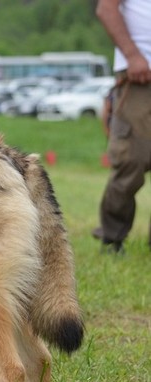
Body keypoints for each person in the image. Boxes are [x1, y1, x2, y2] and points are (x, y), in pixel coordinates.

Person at [93, 0, 151, 253]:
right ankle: (112, 237)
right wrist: (133, 55)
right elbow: (106, 8)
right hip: (140, 76)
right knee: (130, 160)